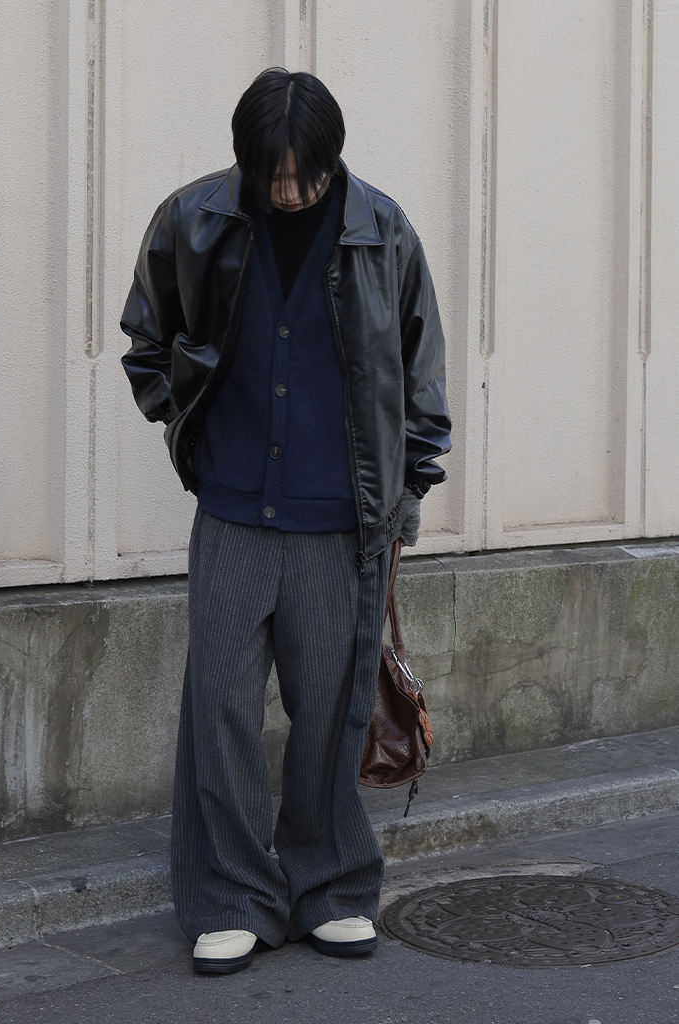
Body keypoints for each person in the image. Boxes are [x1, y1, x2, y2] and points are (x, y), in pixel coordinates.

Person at [120, 67, 451, 974]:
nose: (291, 191)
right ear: (247, 159)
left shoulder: (383, 231)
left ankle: (330, 887)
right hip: (233, 510)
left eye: (306, 174)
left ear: (333, 159)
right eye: (274, 175)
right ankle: (230, 894)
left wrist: (410, 491)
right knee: (220, 705)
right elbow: (146, 339)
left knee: (332, 710)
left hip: (342, 519)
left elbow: (419, 371)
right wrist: (188, 420)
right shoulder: (193, 219)